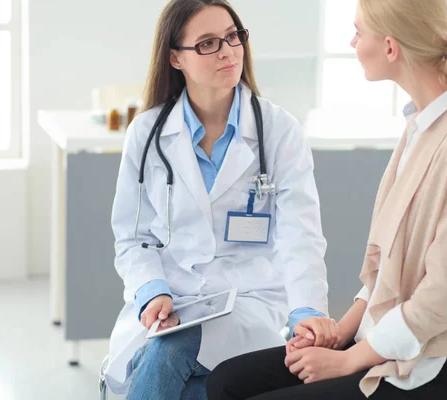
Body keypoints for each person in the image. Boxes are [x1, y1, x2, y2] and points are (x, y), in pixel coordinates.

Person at [206, 0, 447, 399]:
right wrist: (341, 332)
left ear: (390, 48)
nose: (353, 42)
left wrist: (350, 361)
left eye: (359, 32)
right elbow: (386, 268)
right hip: (384, 342)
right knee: (226, 383)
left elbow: (440, 301)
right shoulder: (422, 126)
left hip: (438, 365)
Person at [103, 0, 329, 399]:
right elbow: (133, 237)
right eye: (207, 43)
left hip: (249, 301)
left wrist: (306, 312)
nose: (227, 51)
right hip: (173, 300)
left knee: (167, 352)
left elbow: (301, 237)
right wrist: (152, 290)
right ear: (175, 58)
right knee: (191, 386)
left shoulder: (279, 131)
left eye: (232, 37)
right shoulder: (147, 133)